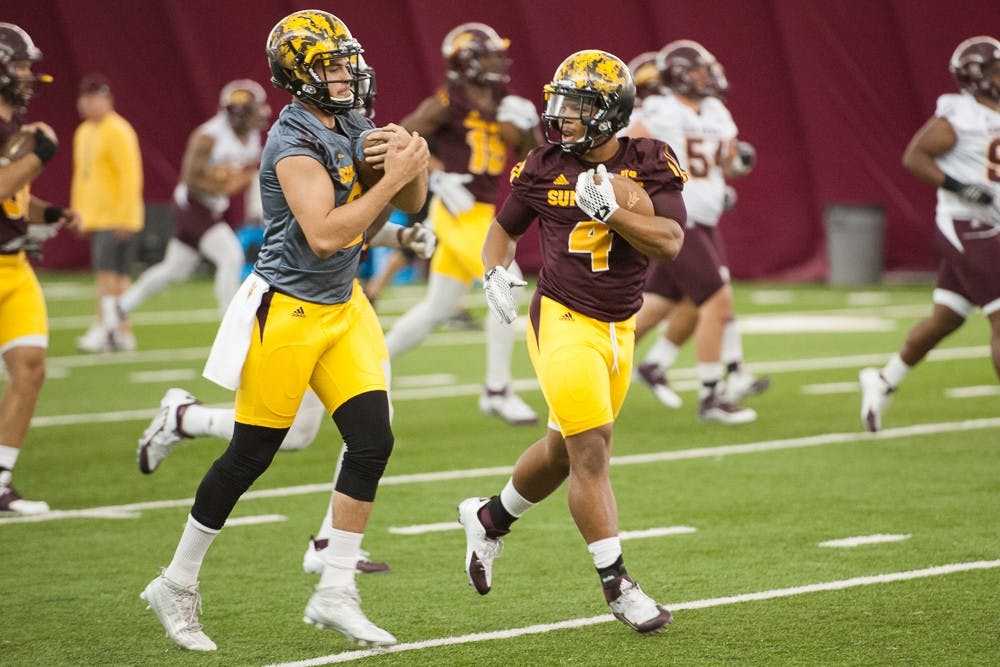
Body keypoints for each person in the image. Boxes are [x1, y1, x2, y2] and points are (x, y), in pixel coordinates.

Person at [139, 10, 428, 651]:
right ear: (299, 75)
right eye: (330, 64)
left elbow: (408, 203)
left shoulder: (350, 120)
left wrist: (415, 165)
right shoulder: (292, 141)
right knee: (251, 455)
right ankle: (176, 583)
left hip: (345, 306)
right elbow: (327, 236)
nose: (345, 73)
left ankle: (335, 591)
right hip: (290, 309)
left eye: (345, 60)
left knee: (372, 441)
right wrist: (398, 180)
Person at [459, 49, 684, 635]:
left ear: (611, 113)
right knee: (591, 452)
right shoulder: (541, 165)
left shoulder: (650, 159)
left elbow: (669, 241)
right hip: (560, 319)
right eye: (561, 103)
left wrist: (614, 213)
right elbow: (502, 231)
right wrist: (495, 271)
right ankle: (619, 586)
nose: (563, 117)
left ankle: (489, 518)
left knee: (563, 453)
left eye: (579, 107)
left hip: (620, 326)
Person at [383, 22, 541, 425]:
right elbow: (398, 138)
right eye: (487, 55)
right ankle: (497, 389)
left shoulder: (503, 99)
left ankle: (370, 364)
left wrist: (529, 128)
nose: (495, 63)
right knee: (506, 285)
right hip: (456, 212)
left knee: (436, 308)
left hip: (482, 212)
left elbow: (535, 155)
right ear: (466, 61)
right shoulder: (445, 102)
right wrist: (433, 171)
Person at [860, 35, 1000, 432]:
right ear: (976, 78)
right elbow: (915, 156)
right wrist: (958, 187)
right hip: (966, 222)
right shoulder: (959, 115)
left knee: (946, 318)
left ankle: (884, 380)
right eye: (995, 70)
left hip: (992, 221)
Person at [624, 40, 765, 423]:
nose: (708, 76)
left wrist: (732, 171)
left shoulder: (716, 110)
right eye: (700, 70)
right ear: (681, 76)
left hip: (704, 218)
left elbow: (727, 160)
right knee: (718, 302)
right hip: (679, 220)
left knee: (662, 306)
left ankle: (601, 364)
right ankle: (711, 394)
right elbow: (624, 151)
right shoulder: (660, 110)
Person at [103, 79, 268, 348]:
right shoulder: (209, 136)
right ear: (237, 113)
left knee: (174, 270)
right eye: (251, 111)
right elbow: (192, 179)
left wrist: (239, 187)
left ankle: (120, 305)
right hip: (193, 205)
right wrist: (225, 182)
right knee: (231, 256)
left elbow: (250, 174)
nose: (256, 116)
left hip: (212, 207)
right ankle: (231, 325)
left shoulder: (250, 136)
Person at [0, 23, 80, 513]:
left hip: (15, 265)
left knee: (30, 369)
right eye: (22, 64)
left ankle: (0, 479)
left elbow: (13, 195)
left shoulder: (14, 130)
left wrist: (48, 213)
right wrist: (41, 155)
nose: (30, 74)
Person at [71, 74, 144, 353]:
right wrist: (79, 214)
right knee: (114, 277)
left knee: (110, 277)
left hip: (115, 216)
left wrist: (127, 217)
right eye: (84, 98)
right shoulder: (84, 132)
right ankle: (121, 331)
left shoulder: (118, 130)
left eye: (94, 97)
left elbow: (130, 176)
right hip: (95, 215)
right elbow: (82, 177)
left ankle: (106, 326)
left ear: (107, 100)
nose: (88, 103)